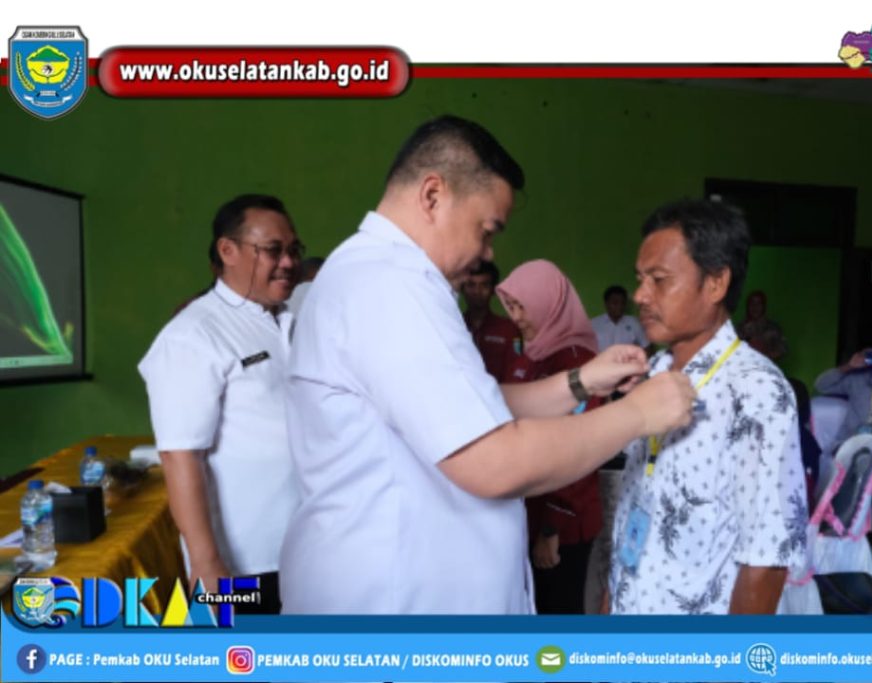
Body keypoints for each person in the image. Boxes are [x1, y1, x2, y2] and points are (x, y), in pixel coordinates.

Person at [280, 115, 696, 615]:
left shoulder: (382, 277)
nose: (487, 252)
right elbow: (493, 460)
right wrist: (638, 414)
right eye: (486, 230)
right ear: (433, 195)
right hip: (398, 604)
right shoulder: (390, 285)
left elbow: (469, 405)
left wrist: (581, 382)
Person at [608, 199, 808, 615]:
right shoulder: (653, 372)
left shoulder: (755, 391)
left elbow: (765, 562)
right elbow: (630, 513)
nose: (640, 295)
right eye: (640, 280)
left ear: (716, 284)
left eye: (659, 280)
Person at [138, 194, 304, 613]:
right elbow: (180, 456)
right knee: (248, 650)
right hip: (244, 562)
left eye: (293, 249)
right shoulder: (193, 335)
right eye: (273, 250)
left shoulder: (285, 323)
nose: (288, 262)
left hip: (305, 545)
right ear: (227, 251)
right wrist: (206, 562)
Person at [496, 259, 603, 614]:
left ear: (547, 303)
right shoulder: (530, 353)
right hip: (528, 508)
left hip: (561, 521)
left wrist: (552, 527)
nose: (515, 317)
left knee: (559, 614)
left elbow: (577, 449)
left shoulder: (578, 362)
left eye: (522, 306)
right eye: (510, 306)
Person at [462, 260, 521, 381]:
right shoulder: (454, 325)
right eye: (471, 285)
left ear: (493, 290)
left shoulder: (509, 329)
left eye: (484, 285)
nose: (477, 291)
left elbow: (515, 371)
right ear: (462, 288)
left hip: (501, 392)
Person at [591, 285, 650, 353]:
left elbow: (647, 346)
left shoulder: (634, 323)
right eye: (615, 303)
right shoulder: (594, 324)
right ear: (606, 304)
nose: (620, 306)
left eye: (623, 303)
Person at [738, 290, 787, 361]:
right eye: (752, 303)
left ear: (764, 306)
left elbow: (783, 350)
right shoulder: (740, 329)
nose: (755, 307)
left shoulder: (772, 328)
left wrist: (764, 355)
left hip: (766, 366)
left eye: (759, 303)